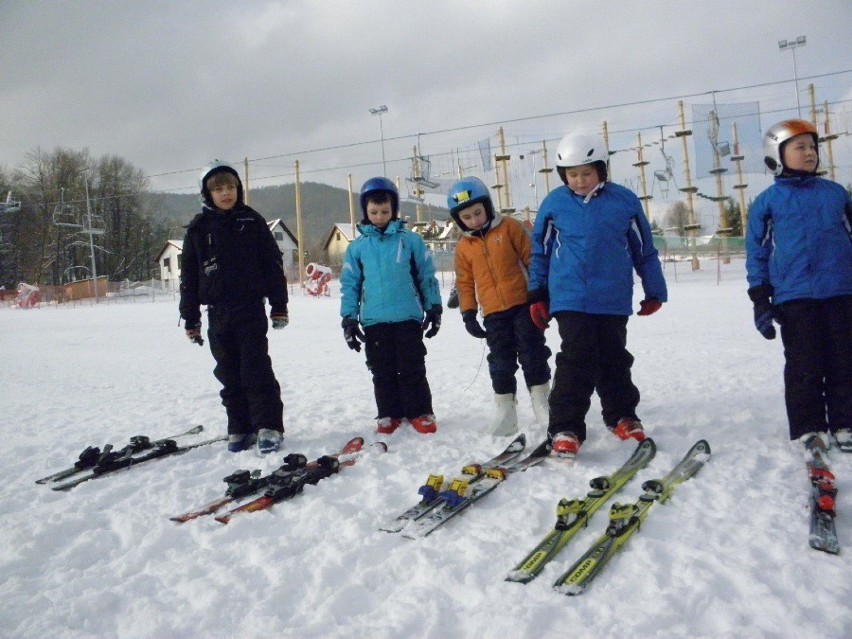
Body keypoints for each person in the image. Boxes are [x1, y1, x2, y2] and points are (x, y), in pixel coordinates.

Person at [527, 132, 667, 457]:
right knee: (577, 357)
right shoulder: (554, 204)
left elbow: (644, 250)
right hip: (569, 297)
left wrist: (654, 289)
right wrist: (537, 292)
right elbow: (541, 252)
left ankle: (622, 415)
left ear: (602, 169)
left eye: (586, 173)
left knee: (614, 357)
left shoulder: (624, 202)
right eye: (572, 174)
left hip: (612, 298)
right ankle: (565, 427)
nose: (579, 180)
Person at [745, 119, 852, 453]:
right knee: (804, 364)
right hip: (794, 297)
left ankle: (845, 422)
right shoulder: (767, 203)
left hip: (841, 292)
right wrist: (760, 297)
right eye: (800, 147)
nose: (810, 153)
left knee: (844, 361)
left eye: (812, 146)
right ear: (777, 155)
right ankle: (809, 427)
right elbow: (757, 253)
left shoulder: (836, 195)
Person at [179, 160, 289, 454]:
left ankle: (268, 426)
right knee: (228, 372)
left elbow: (272, 265)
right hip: (218, 312)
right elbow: (189, 277)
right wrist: (190, 318)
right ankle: (239, 427)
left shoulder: (252, 222)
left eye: (230, 187)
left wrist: (279, 305)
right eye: (219, 189)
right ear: (208, 194)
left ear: (238, 190)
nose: (226, 193)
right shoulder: (198, 229)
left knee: (255, 369)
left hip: (250, 309)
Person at [448, 176, 551, 436]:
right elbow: (464, 282)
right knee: (500, 361)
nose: (474, 220)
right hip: (493, 313)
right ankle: (506, 411)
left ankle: (542, 403)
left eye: (477, 213)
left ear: (487, 207)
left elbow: (531, 258)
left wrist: (540, 293)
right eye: (467, 217)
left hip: (523, 304)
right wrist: (468, 313)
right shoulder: (463, 247)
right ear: (459, 220)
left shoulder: (509, 228)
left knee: (532, 352)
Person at [339, 177, 443, 435]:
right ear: (365, 211)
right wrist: (349, 318)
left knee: (412, 366)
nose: (379, 217)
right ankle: (388, 414)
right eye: (373, 212)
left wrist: (434, 308)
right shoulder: (358, 248)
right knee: (381, 369)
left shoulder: (410, 241)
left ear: (394, 209)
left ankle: (420, 411)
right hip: (374, 320)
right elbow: (350, 284)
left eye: (385, 211)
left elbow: (426, 275)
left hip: (407, 316)